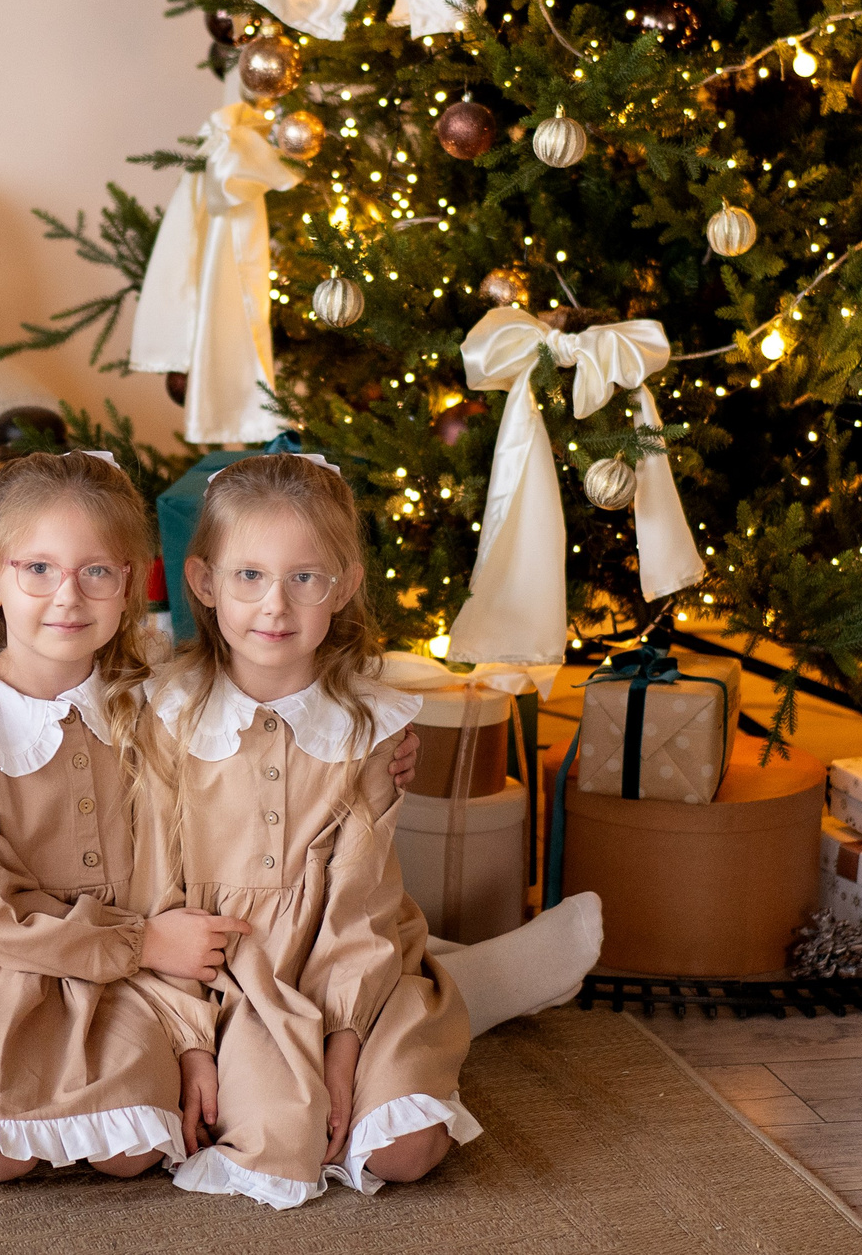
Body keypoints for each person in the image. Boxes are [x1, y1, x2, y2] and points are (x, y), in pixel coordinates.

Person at [154, 454, 604, 1208]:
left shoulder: (366, 727)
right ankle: (480, 981)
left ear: (346, 585)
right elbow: (152, 891)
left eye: (306, 577)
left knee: (405, 1149)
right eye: (249, 576)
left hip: (349, 955)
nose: (275, 605)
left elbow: (358, 905)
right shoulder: (163, 715)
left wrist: (344, 1041)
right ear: (203, 582)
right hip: (224, 975)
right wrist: (191, 1035)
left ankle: (452, 985)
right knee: (273, 1133)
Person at [0, 451, 242, 1181]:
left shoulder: (151, 706)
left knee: (131, 1153)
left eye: (95, 571)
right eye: (38, 569)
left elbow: (181, 863)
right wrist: (139, 942)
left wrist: (190, 1032)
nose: (67, 596)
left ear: (127, 585)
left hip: (130, 970)